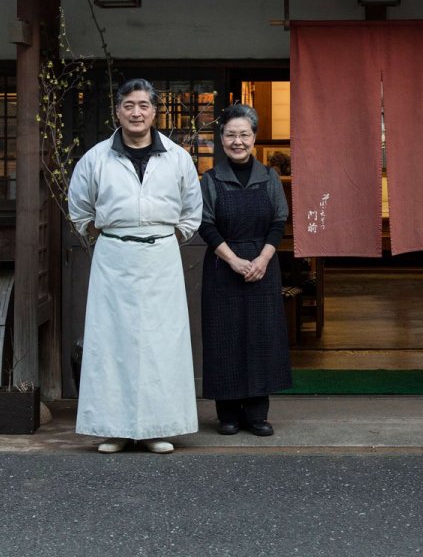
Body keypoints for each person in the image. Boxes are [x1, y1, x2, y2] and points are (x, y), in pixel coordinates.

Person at [67, 79, 202, 453]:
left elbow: (192, 211)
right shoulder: (96, 158)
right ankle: (114, 428)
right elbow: (79, 209)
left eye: (143, 105)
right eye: (129, 105)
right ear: (118, 111)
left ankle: (158, 427)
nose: (136, 112)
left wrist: (164, 239)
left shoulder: (176, 157)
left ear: (154, 111)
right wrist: (106, 235)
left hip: (161, 254)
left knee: (161, 343)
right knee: (112, 342)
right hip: (114, 255)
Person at [200, 104, 291, 436]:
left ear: (254, 137)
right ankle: (227, 413)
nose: (237, 141)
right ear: (221, 138)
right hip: (224, 266)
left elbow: (278, 222)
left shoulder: (269, 177)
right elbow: (205, 225)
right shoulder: (210, 180)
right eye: (230, 134)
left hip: (262, 266)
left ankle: (256, 413)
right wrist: (233, 260)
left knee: (260, 336)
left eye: (244, 134)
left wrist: (263, 259)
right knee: (224, 337)